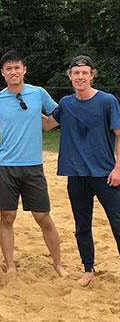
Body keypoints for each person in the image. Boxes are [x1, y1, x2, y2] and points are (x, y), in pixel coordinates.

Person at [0, 50, 67, 277]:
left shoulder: (38, 94)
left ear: (24, 70)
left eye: (17, 67)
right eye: (8, 69)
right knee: (7, 217)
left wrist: (39, 118)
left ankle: (58, 263)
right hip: (6, 166)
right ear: (3, 73)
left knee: (43, 217)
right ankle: (10, 264)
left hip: (33, 166)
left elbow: (54, 120)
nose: (13, 72)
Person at [44, 55, 120, 286]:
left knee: (117, 222)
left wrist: (118, 167)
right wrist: (22, 105)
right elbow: (48, 124)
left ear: (91, 75)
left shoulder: (107, 101)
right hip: (76, 174)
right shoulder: (66, 103)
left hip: (106, 174)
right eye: (76, 73)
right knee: (82, 225)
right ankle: (88, 269)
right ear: (70, 76)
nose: (80, 77)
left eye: (84, 73)